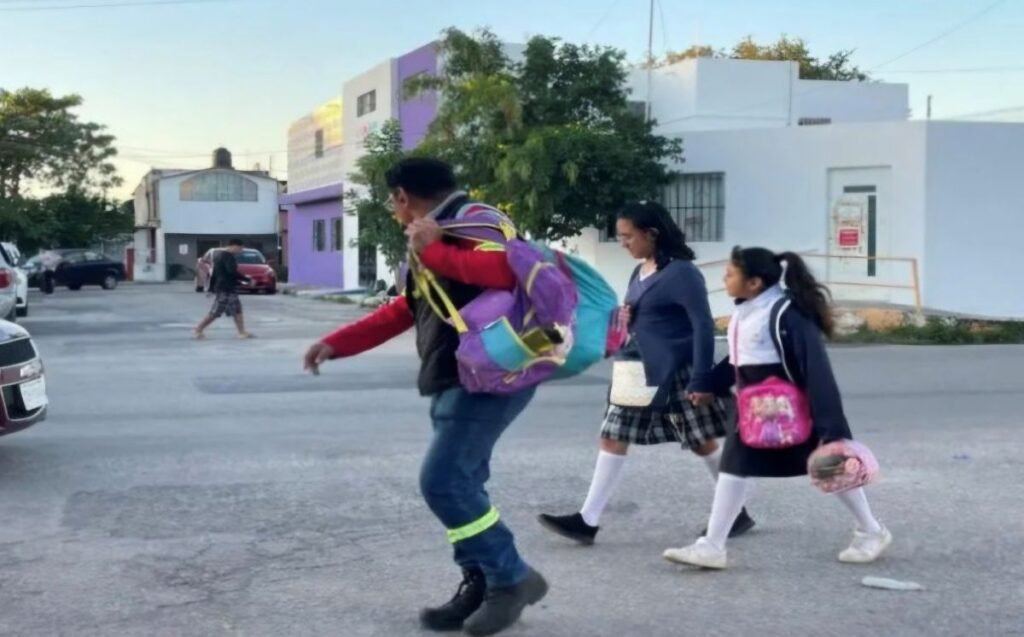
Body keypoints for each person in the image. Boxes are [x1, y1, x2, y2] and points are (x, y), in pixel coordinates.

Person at [303, 158, 547, 636]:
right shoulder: (435, 233)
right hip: (455, 375)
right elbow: (408, 309)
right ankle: (480, 581)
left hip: (490, 376)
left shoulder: (475, 221)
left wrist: (433, 250)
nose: (393, 210)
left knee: (443, 483)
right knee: (463, 486)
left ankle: (511, 578)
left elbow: (509, 271)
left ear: (401, 196)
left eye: (391, 201)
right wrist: (338, 342)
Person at [537, 201, 754, 545]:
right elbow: (647, 318)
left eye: (628, 236)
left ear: (651, 234)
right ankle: (587, 520)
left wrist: (701, 378)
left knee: (699, 441)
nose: (623, 242)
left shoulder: (682, 273)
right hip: (636, 367)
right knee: (614, 435)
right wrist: (628, 319)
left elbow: (702, 325)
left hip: (675, 369)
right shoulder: (639, 271)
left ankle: (736, 511)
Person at [662, 247, 892, 570]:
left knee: (830, 465)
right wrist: (709, 385)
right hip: (752, 410)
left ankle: (871, 530)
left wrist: (830, 427)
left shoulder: (786, 315)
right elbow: (739, 361)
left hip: (791, 409)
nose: (724, 279)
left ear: (754, 282)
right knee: (733, 467)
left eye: (730, 274)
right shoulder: (744, 313)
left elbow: (816, 369)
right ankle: (712, 546)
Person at [193, 239, 252, 340]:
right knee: (216, 311)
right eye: (240, 248)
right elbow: (231, 272)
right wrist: (247, 279)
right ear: (234, 246)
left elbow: (214, 273)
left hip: (226, 287)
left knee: (237, 310)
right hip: (225, 288)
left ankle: (242, 332)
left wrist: (211, 288)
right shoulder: (228, 257)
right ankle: (198, 329)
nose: (240, 251)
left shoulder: (219, 256)